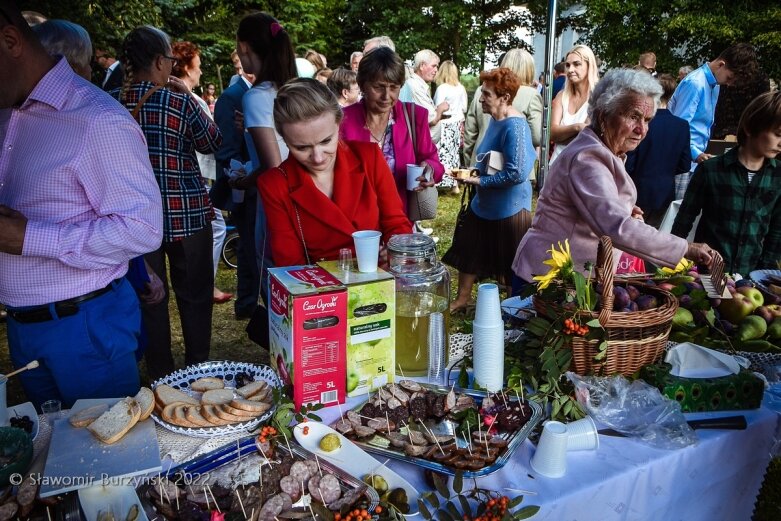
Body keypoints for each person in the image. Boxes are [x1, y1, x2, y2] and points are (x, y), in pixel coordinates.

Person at [0, 2, 163, 408]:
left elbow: (142, 228)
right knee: (53, 458)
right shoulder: (7, 112)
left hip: (84, 324)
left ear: (9, 41)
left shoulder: (97, 120)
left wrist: (29, 237)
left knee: (105, 465)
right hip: (24, 325)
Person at [513, 69, 715, 288]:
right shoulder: (587, 159)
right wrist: (686, 248)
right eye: (633, 117)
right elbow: (615, 226)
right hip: (546, 279)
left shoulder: (606, 151)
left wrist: (624, 206)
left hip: (568, 277)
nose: (642, 130)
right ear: (603, 115)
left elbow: (594, 205)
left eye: (647, 120)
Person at [113, 25, 222, 380]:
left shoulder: (110, 102)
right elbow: (212, 142)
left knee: (150, 301)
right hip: (187, 217)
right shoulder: (177, 100)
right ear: (160, 61)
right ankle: (199, 369)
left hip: (134, 222)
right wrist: (189, 95)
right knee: (195, 298)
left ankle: (161, 374)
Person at [258, 79, 412, 267]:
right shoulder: (275, 184)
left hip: (379, 280)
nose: (317, 157)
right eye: (301, 147)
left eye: (326, 141)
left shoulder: (369, 157)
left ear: (338, 124)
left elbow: (396, 223)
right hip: (320, 291)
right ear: (285, 139)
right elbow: (291, 263)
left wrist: (394, 250)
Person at [444, 68, 536, 311]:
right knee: (469, 248)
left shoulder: (515, 126)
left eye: (486, 94)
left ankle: (512, 308)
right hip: (484, 204)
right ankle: (463, 299)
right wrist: (474, 173)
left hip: (509, 209)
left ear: (504, 98)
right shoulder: (495, 120)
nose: (481, 98)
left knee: (510, 261)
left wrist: (479, 182)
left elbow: (517, 173)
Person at [672, 91, 781, 275]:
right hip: (707, 275)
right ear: (750, 127)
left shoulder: (778, 175)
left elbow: (776, 233)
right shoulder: (710, 170)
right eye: (777, 134)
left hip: (752, 278)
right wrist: (674, 264)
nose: (780, 142)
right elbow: (683, 222)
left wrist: (764, 276)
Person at [340, 47, 444, 219]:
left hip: (399, 218)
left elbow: (433, 160)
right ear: (362, 84)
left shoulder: (414, 116)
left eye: (394, 87)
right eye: (378, 87)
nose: (386, 96)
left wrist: (430, 170)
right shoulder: (342, 120)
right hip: (355, 222)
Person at [171, 41, 234, 305]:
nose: (200, 71)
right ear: (186, 67)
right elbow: (211, 139)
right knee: (216, 226)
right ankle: (205, 283)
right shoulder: (189, 98)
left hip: (190, 178)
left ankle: (203, 282)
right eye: (197, 65)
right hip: (195, 178)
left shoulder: (171, 92)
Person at [668, 43, 758, 198]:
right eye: (730, 78)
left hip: (693, 160)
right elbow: (679, 127)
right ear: (721, 64)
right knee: (676, 211)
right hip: (682, 162)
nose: (729, 84)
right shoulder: (695, 83)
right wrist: (696, 153)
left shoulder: (714, 85)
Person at [213, 53, 259, 320]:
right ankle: (247, 304)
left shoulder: (264, 92)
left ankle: (249, 302)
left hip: (260, 186)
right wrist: (245, 177)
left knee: (251, 247)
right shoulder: (232, 96)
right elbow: (226, 150)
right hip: (245, 187)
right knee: (248, 247)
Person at [625, 74, 691, 228]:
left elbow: (630, 161)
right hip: (665, 192)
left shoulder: (643, 124)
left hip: (637, 189)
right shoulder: (681, 126)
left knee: (631, 239)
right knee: (653, 239)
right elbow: (684, 165)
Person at [464, 48, 543, 168]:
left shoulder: (481, 91)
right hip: (515, 166)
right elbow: (537, 137)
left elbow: (469, 134)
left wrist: (469, 162)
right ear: (530, 70)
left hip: (480, 163)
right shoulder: (532, 95)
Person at [549, 45, 599, 165]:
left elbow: (588, 138)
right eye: (568, 65)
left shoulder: (598, 97)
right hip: (556, 166)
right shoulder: (562, 96)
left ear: (589, 65)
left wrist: (561, 136)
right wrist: (577, 127)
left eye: (577, 64)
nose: (570, 69)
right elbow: (552, 133)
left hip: (582, 168)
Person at [400, 49, 449, 144]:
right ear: (422, 66)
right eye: (433, 66)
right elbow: (431, 119)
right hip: (419, 146)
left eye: (437, 67)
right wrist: (440, 109)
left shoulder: (419, 85)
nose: (436, 70)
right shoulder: (415, 86)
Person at [433, 60, 468, 175]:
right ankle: (455, 182)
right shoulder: (461, 88)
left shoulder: (442, 88)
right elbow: (464, 107)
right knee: (454, 152)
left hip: (444, 123)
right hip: (457, 123)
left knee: (442, 152)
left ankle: (441, 178)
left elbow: (438, 106)